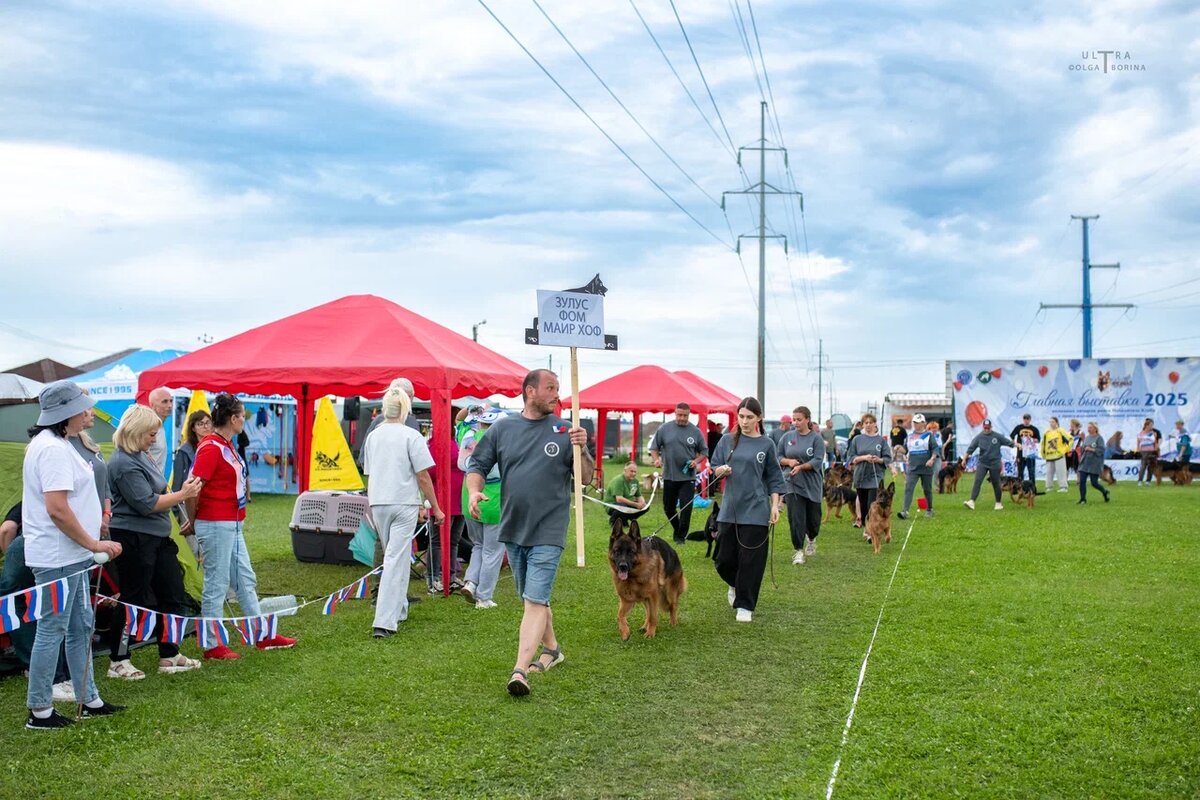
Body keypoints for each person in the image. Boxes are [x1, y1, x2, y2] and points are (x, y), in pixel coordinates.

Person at [465, 369, 593, 697]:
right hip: (513, 526)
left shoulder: (566, 431)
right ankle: (552, 650)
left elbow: (585, 480)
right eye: (550, 388)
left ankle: (520, 670)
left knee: (534, 599)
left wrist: (583, 449)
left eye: (558, 389)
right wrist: (473, 491)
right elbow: (476, 466)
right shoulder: (503, 428)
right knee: (531, 597)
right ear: (529, 391)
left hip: (549, 529)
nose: (557, 394)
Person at [22, 380, 125, 730]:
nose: (89, 411)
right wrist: (94, 544)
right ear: (66, 412)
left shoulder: (61, 445)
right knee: (52, 629)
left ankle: (89, 697)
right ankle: (39, 710)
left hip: (73, 554)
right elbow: (57, 509)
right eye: (84, 406)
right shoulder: (50, 449)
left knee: (82, 625)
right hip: (57, 557)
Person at [184, 392, 296, 659]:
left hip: (230, 523)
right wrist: (194, 520)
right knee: (217, 583)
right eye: (242, 416)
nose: (244, 420)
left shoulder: (226, 444)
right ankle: (212, 644)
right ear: (233, 419)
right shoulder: (212, 448)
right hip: (215, 522)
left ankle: (261, 635)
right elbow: (192, 488)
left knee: (245, 579)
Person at [104, 405, 204, 679]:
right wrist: (184, 494)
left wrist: (180, 495)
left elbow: (159, 491)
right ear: (136, 432)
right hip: (134, 538)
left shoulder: (142, 455)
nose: (154, 439)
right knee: (133, 598)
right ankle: (118, 659)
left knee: (171, 592)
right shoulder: (122, 464)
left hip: (158, 537)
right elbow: (147, 503)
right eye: (151, 433)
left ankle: (169, 654)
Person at [362, 388, 444, 637]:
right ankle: (384, 622)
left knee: (392, 557)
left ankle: (399, 609)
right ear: (406, 408)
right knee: (395, 560)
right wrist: (436, 507)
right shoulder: (411, 435)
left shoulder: (373, 436)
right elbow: (423, 476)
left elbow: (369, 472)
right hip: (402, 503)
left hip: (379, 502)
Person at [710, 398, 784, 624]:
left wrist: (774, 506)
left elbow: (774, 478)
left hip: (757, 510)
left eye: (750, 417)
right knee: (722, 559)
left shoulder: (767, 445)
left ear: (759, 418)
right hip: (730, 508)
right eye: (741, 416)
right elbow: (714, 468)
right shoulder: (726, 441)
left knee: (751, 560)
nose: (744, 421)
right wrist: (719, 470)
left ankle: (745, 604)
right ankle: (736, 584)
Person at [458, 410, 506, 609]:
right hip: (494, 497)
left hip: (468, 495)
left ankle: (470, 582)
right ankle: (484, 597)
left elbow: (459, 420)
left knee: (478, 544)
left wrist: (470, 409)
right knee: (493, 551)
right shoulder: (502, 442)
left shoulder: (467, 435)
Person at [648, 403, 708, 545]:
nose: (682, 418)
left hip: (688, 477)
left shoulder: (695, 432)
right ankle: (677, 528)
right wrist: (656, 459)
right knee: (668, 508)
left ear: (689, 415)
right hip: (669, 476)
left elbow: (704, 452)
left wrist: (696, 461)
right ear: (675, 414)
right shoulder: (664, 429)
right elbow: (654, 448)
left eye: (685, 416)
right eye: (679, 415)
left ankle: (680, 537)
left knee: (686, 508)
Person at [778, 406, 824, 565]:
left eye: (799, 419)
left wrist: (801, 466)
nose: (795, 423)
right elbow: (778, 456)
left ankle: (811, 538)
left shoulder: (816, 439)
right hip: (792, 484)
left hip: (812, 485)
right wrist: (789, 462)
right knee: (796, 518)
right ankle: (798, 550)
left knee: (813, 521)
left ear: (807, 420)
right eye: (794, 420)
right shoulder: (787, 437)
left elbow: (818, 460)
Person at [171, 409, 213, 556]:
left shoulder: (215, 447)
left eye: (208, 423)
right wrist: (176, 509)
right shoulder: (185, 451)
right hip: (188, 502)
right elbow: (177, 482)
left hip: (207, 503)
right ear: (193, 427)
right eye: (200, 424)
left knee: (208, 544)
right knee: (192, 546)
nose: (205, 427)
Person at [844, 413, 890, 529]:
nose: (868, 425)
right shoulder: (857, 439)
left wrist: (878, 459)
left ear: (875, 424)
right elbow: (850, 457)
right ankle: (866, 526)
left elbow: (887, 458)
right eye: (866, 423)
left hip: (875, 475)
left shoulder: (881, 441)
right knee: (863, 505)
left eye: (871, 422)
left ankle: (870, 531)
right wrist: (863, 458)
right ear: (863, 425)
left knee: (871, 503)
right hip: (860, 475)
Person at [962, 419, 1013, 511]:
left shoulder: (997, 436)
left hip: (995, 463)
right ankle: (972, 501)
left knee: (996, 483)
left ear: (991, 427)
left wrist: (1017, 445)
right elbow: (970, 448)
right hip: (982, 463)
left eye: (988, 428)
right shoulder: (979, 437)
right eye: (985, 428)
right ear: (983, 427)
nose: (986, 430)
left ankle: (998, 503)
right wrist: (964, 459)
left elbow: (1009, 443)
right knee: (977, 480)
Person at [898, 414, 940, 520]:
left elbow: (935, 449)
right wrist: (898, 448)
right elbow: (905, 449)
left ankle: (929, 509)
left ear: (923, 423)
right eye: (914, 423)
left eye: (918, 423)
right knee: (909, 488)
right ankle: (905, 511)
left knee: (927, 489)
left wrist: (932, 459)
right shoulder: (909, 436)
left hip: (926, 467)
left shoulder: (929, 435)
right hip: (912, 467)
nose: (916, 425)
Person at [1078, 422, 1111, 504]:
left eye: (1090, 427)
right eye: (1088, 427)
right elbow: (1083, 448)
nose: (1088, 429)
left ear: (1095, 428)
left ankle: (1104, 492)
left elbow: (1102, 450)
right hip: (1085, 462)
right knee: (1082, 481)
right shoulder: (1087, 438)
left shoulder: (1099, 438)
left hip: (1094, 463)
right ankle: (1083, 499)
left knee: (1094, 483)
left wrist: (1092, 449)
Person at [146, 387, 174, 476]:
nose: (170, 405)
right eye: (164, 401)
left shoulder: (160, 425)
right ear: (152, 404)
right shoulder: (148, 426)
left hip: (157, 483)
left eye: (171, 401)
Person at [1040, 416, 1071, 493]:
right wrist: (1043, 453)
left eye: (1053, 422)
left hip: (1059, 455)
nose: (1051, 423)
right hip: (1049, 456)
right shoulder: (1046, 432)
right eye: (1050, 422)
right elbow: (1043, 444)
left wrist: (1065, 449)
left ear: (1056, 422)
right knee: (1049, 472)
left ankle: (1063, 487)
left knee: (1061, 472)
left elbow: (1070, 439)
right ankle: (1049, 487)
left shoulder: (1061, 431)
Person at [1009, 413, 1041, 486]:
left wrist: (1032, 439)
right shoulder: (1018, 427)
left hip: (1030, 453)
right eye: (1025, 419)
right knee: (1020, 471)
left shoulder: (1034, 429)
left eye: (1027, 419)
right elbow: (1011, 437)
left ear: (1030, 420)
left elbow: (1038, 440)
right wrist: (1016, 444)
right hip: (1020, 453)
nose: (1026, 420)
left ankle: (1032, 488)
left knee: (1031, 471)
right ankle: (1020, 487)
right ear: (1023, 419)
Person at [1135, 418, 1161, 486]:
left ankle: (1148, 481)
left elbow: (1155, 442)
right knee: (1143, 466)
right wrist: (1138, 449)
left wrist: (1156, 449)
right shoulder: (1140, 433)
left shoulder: (1154, 433)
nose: (1152, 427)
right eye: (1151, 425)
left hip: (1152, 451)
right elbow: (1138, 442)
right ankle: (1140, 481)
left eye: (1152, 425)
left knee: (1151, 467)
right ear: (1146, 425)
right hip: (1144, 451)